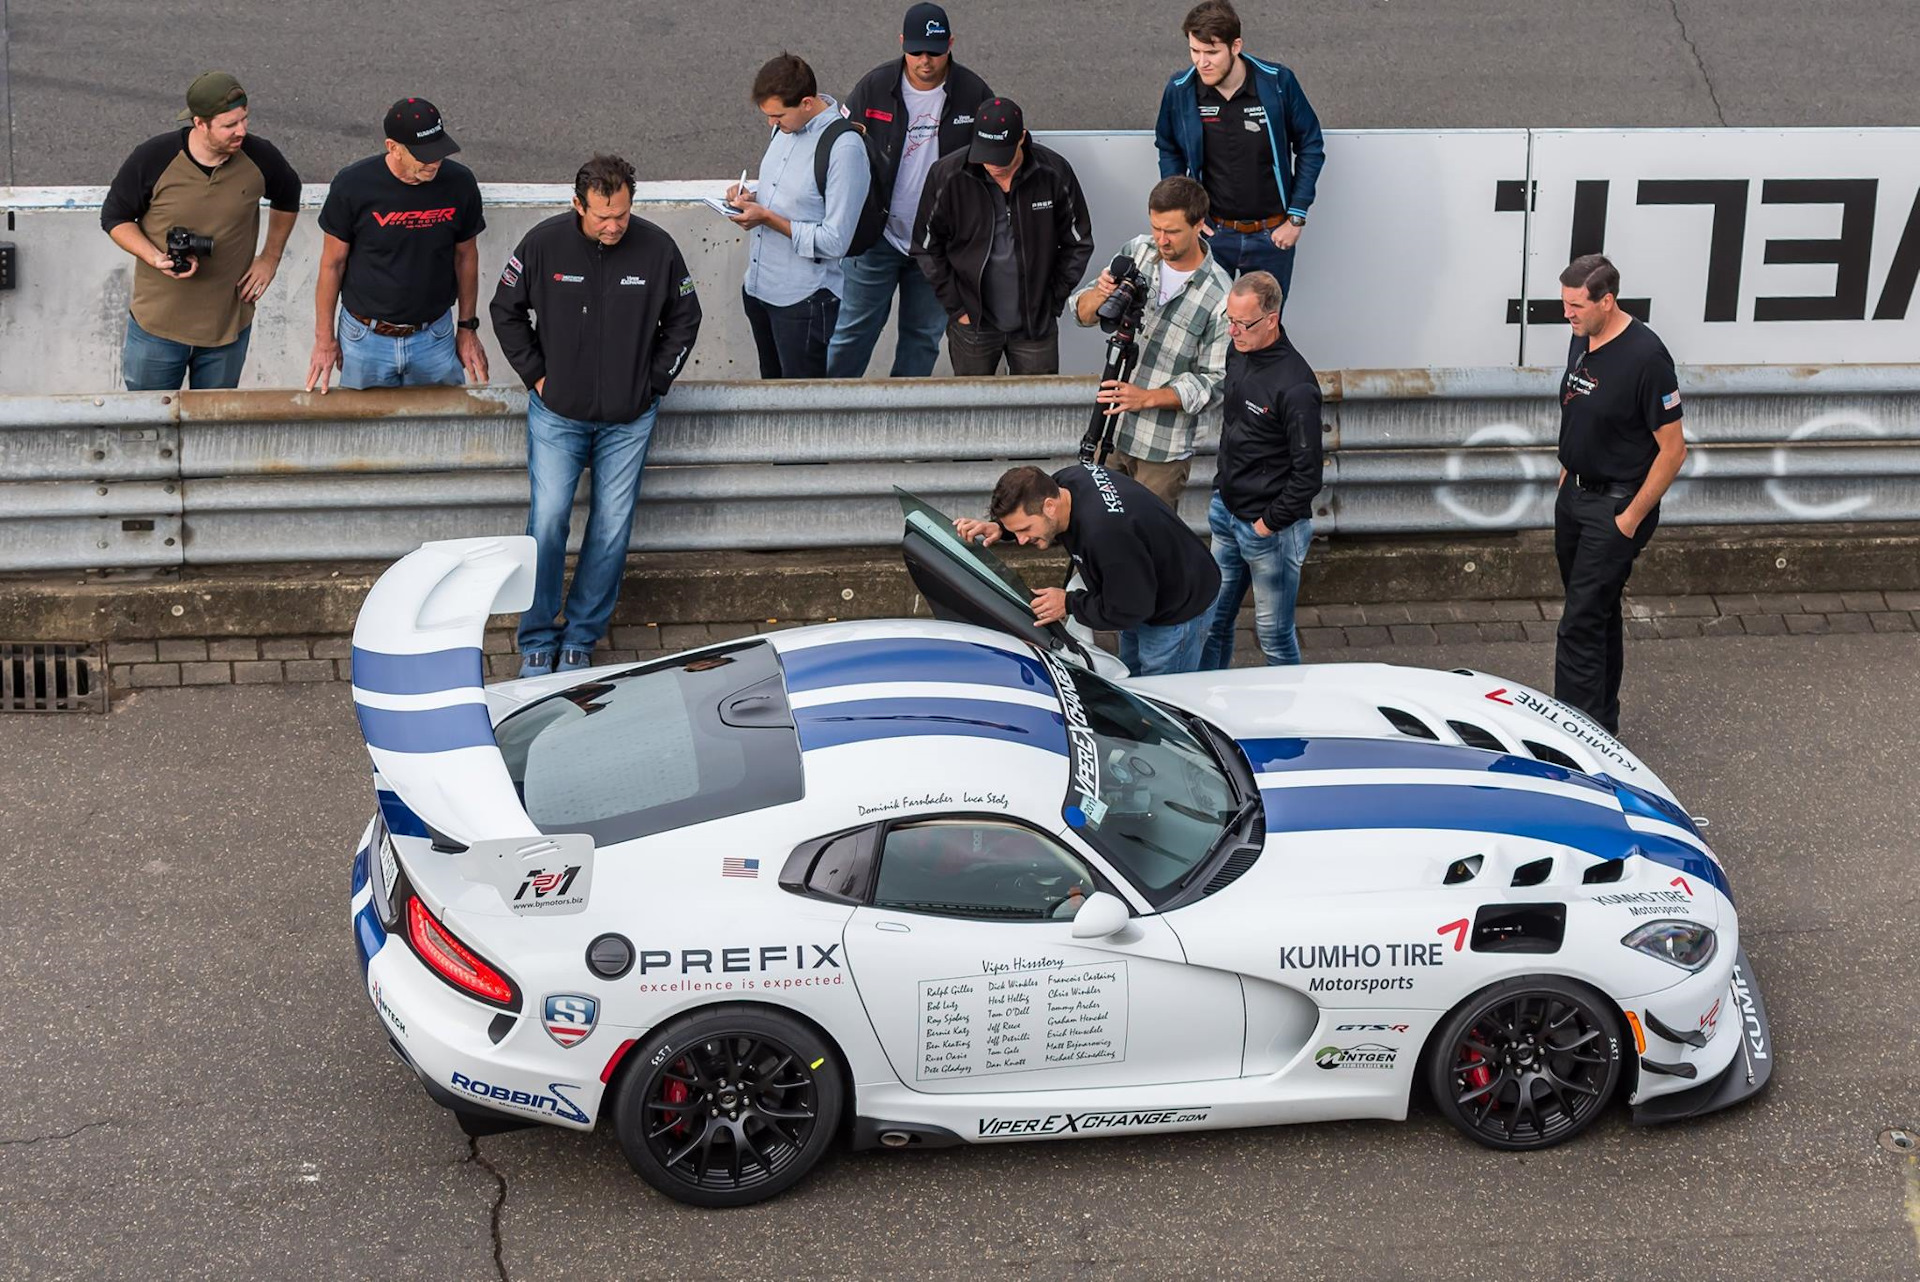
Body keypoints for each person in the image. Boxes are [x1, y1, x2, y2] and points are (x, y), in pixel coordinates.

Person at [490, 155, 703, 677]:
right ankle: (537, 637)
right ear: (577, 204)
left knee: (610, 527)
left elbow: (686, 317)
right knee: (547, 520)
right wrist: (539, 378)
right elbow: (505, 310)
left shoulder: (657, 248)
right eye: (602, 216)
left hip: (629, 419)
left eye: (622, 215)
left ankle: (581, 637)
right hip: (557, 414)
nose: (613, 226)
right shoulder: (542, 245)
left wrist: (654, 384)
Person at [1554, 253, 1688, 734]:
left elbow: (1673, 451)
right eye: (1564, 304)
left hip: (1615, 507)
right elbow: (1579, 408)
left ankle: (1572, 742)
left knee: (1578, 626)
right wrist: (1568, 470)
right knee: (1595, 613)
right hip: (1575, 500)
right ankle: (1602, 728)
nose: (1566, 314)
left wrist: (1628, 519)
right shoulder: (1582, 337)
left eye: (1575, 306)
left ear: (1606, 301)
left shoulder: (1647, 358)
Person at [101, 72, 300, 390]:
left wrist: (270, 257)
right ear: (200, 123)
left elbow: (289, 195)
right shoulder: (154, 158)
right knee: (148, 425)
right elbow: (114, 217)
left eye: (244, 120)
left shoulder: (260, 157)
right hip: (157, 330)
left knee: (212, 433)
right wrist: (154, 257)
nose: (242, 131)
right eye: (230, 125)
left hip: (227, 330)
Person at [827, 3, 995, 378]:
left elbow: (994, 164)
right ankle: (829, 419)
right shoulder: (874, 87)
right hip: (876, 240)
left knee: (922, 339)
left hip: (939, 247)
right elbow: (839, 152)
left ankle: (901, 428)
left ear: (950, 44)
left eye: (935, 51)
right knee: (852, 334)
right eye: (916, 50)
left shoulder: (974, 92)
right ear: (902, 42)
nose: (925, 60)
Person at [955, 464, 1221, 677]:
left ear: (1049, 506)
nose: (1022, 539)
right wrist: (1002, 530)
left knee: (1165, 699)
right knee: (1136, 679)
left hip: (1178, 608)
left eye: (1024, 529)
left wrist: (1069, 603)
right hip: (1142, 584)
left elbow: (1130, 609)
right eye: (1016, 531)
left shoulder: (1106, 535)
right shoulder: (1067, 482)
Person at [1069, 176, 1231, 511]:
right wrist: (1100, 293)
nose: (1161, 239)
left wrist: (1148, 398)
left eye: (1171, 231)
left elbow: (1215, 383)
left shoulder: (1221, 294)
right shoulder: (1137, 251)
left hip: (1163, 449)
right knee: (1100, 529)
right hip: (1110, 429)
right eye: (1156, 227)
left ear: (1199, 224)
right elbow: (1081, 313)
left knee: (1147, 544)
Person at [307, 98, 487, 393]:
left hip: (434, 337)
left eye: (439, 151)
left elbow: (466, 257)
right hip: (365, 338)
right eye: (424, 155)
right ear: (393, 147)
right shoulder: (353, 185)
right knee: (363, 432)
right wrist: (324, 340)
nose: (435, 161)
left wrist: (467, 329)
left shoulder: (460, 184)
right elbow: (332, 264)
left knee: (439, 430)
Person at [1154, 0, 1324, 297]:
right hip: (1212, 236)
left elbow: (1310, 144)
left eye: (1211, 52)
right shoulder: (1181, 90)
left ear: (1235, 46)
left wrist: (1296, 216)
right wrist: (1185, 212)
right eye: (1195, 50)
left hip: (1272, 237)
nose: (1201, 62)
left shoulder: (1276, 82)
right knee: (1204, 331)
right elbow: (1168, 147)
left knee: (1260, 334)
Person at [912, 98, 1093, 376]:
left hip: (1035, 328)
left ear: (1022, 138)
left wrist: (1052, 300)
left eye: (1002, 154)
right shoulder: (949, 174)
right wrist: (958, 308)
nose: (993, 163)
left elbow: (1078, 242)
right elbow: (925, 246)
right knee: (972, 410)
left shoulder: (1053, 172)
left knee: (1036, 411)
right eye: (985, 153)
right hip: (972, 326)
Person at [1200, 271, 1322, 669]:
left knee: (1273, 635)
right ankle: (1207, 706)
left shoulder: (1296, 386)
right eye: (1229, 320)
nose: (1233, 331)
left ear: (1271, 319)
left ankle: (1292, 719)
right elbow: (1233, 430)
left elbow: (1308, 476)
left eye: (1243, 323)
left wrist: (1266, 525)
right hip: (1227, 512)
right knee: (1213, 621)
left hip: (1270, 530)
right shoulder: (1239, 350)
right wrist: (1222, 493)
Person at [727, 53, 871, 379]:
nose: (771, 124)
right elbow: (789, 196)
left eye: (777, 116)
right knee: (771, 394)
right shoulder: (785, 129)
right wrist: (750, 199)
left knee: (799, 413)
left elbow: (835, 241)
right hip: (760, 291)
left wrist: (766, 218)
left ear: (807, 103)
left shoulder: (844, 149)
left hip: (804, 302)